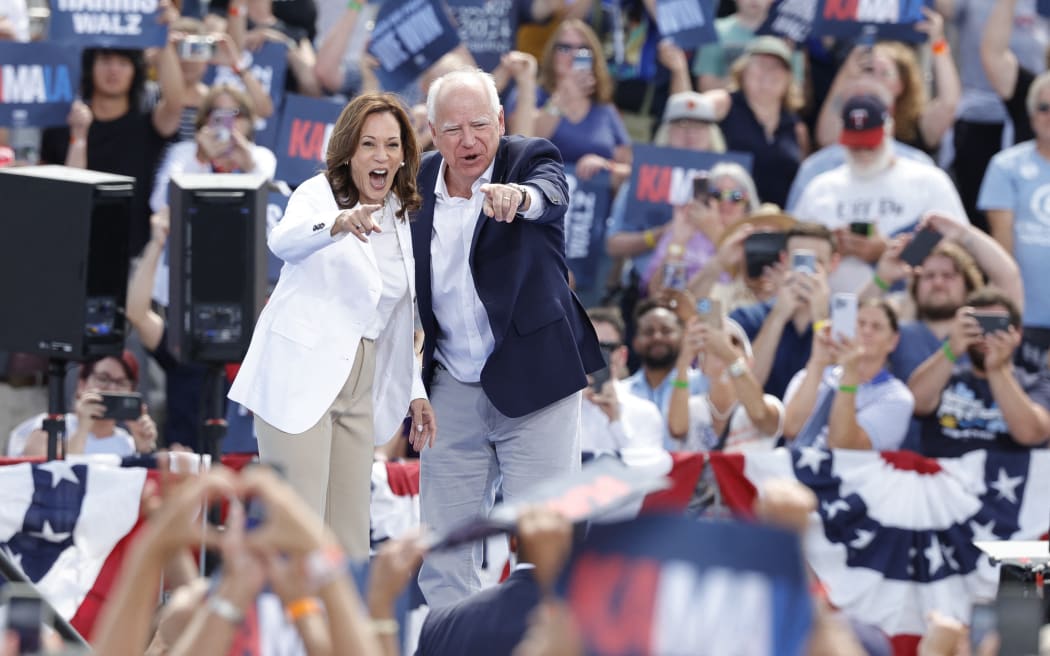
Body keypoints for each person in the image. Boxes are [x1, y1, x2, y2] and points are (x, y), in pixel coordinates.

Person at [411, 68, 603, 607]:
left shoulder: (529, 157)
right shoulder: (416, 185)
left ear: (500, 121)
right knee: (444, 555)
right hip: (450, 386)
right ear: (431, 132)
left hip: (535, 379)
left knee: (547, 548)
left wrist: (518, 198)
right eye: (452, 130)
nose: (468, 141)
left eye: (479, 125)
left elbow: (550, 194)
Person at [227, 93, 437, 559]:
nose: (381, 156)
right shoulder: (319, 194)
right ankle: (287, 632)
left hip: (363, 381)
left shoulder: (402, 213)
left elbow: (398, 318)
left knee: (349, 544)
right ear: (348, 151)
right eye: (368, 145)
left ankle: (340, 632)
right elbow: (282, 240)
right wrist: (338, 223)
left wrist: (414, 390)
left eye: (391, 144)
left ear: (405, 153)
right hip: (301, 376)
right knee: (300, 539)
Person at [793, 93, 967, 294]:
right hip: (832, 307)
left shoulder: (928, 181)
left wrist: (886, 251)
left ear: (889, 130)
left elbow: (957, 249)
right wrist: (831, 249)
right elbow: (795, 252)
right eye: (856, 146)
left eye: (870, 144)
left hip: (905, 307)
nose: (864, 152)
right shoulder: (820, 188)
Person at [40, 44, 183, 255]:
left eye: (123, 63)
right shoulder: (60, 128)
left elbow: (174, 105)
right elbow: (60, 192)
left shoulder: (148, 125)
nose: (114, 70)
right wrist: (78, 137)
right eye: (105, 61)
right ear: (90, 68)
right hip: (73, 249)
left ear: (135, 71)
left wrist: (166, 44)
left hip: (133, 252)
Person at [908, 289, 1050, 457]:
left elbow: (1031, 434)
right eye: (977, 325)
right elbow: (914, 403)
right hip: (943, 481)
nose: (986, 335)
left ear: (1017, 333)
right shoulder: (946, 377)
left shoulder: (1036, 383)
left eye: (996, 325)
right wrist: (951, 348)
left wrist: (997, 369)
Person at [978, 72, 1050, 372]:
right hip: (1023, 318)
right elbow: (1001, 242)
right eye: (1045, 108)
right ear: (1032, 116)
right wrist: (1003, 314)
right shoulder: (1006, 165)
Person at [815, 10, 960, 156]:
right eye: (869, 70)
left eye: (885, 73)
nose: (876, 79)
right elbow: (826, 137)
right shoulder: (854, 119)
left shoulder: (917, 127)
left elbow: (948, 103)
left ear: (901, 84)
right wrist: (846, 72)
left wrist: (938, 42)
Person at [782, 299, 914, 451]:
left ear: (893, 341)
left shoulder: (897, 397)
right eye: (860, 323)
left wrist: (850, 375)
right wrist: (818, 362)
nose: (866, 331)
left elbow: (842, 445)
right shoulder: (811, 374)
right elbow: (791, 429)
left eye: (876, 327)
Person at [730, 222, 838, 399]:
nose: (806, 272)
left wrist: (821, 317)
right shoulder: (747, 318)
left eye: (816, 262)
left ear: (833, 263)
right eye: (800, 261)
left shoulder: (849, 319)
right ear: (784, 259)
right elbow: (740, 390)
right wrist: (778, 316)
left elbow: (834, 390)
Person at [668, 314, 784, 452]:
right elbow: (677, 429)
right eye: (711, 344)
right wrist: (683, 363)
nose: (721, 347)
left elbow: (760, 416)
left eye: (733, 342)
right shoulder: (691, 407)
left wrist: (728, 355)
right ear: (702, 365)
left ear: (749, 362)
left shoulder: (770, 403)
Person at [11, 352, 158, 458]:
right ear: (82, 384)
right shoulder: (50, 424)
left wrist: (143, 450)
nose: (112, 388)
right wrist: (82, 429)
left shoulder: (128, 442)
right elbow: (50, 477)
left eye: (121, 383)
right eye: (103, 379)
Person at [623, 300, 707, 450]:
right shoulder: (621, 393)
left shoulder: (702, 384)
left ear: (683, 336)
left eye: (666, 330)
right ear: (635, 343)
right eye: (648, 332)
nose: (657, 337)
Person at [581, 307, 664, 453]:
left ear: (622, 356)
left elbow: (645, 470)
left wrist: (616, 421)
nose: (596, 356)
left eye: (605, 348)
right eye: (588, 347)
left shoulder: (645, 412)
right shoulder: (558, 409)